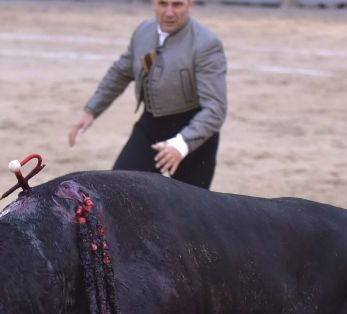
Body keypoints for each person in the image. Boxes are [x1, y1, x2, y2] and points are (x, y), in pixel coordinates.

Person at [67, 0, 227, 189]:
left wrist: (181, 144)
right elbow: (121, 72)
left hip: (194, 135)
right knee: (120, 190)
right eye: (162, 4)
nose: (169, 12)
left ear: (190, 4)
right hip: (151, 127)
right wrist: (91, 110)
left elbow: (215, 109)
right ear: (153, 3)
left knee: (189, 213)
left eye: (177, 5)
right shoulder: (143, 31)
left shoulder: (206, 43)